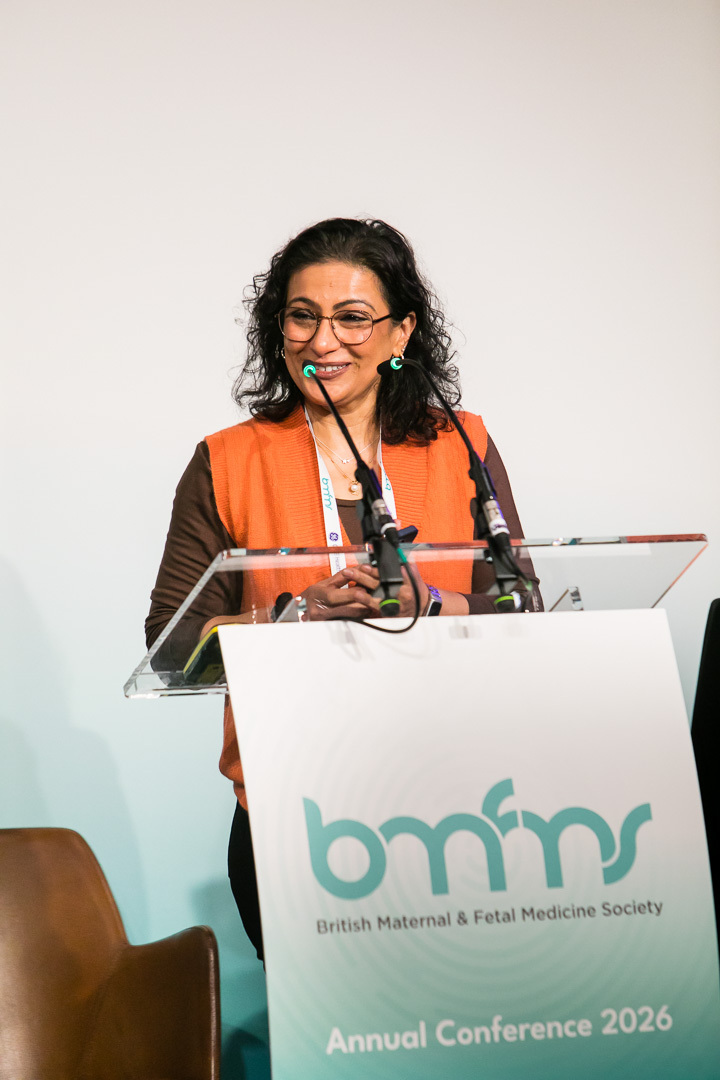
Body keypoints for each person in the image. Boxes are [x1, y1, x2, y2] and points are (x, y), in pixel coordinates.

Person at [145, 217, 538, 961]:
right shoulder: (227, 460)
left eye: (353, 317)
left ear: (401, 333)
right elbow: (169, 648)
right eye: (302, 316)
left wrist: (434, 606)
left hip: (463, 810)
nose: (323, 341)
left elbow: (525, 605)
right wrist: (294, 615)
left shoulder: (462, 443)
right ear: (279, 328)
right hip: (293, 810)